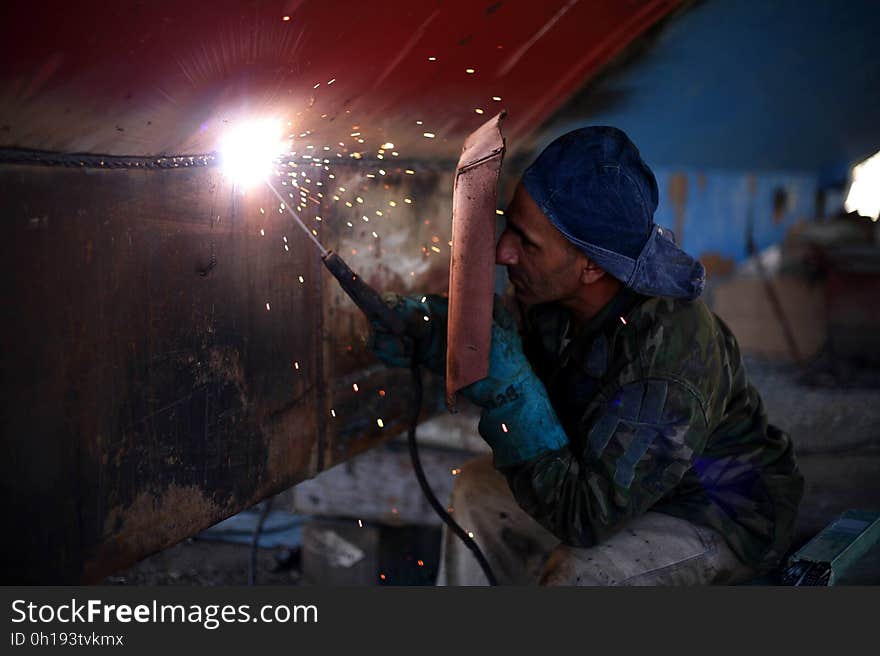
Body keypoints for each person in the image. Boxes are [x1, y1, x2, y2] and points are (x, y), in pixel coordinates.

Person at [370, 126, 804, 585]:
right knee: (479, 490)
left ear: (593, 265)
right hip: (623, 487)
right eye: (509, 228)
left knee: (581, 574)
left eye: (527, 242)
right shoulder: (555, 301)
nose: (503, 252)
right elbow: (507, 343)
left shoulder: (669, 362)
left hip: (712, 512)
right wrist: (438, 336)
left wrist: (513, 397)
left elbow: (585, 517)